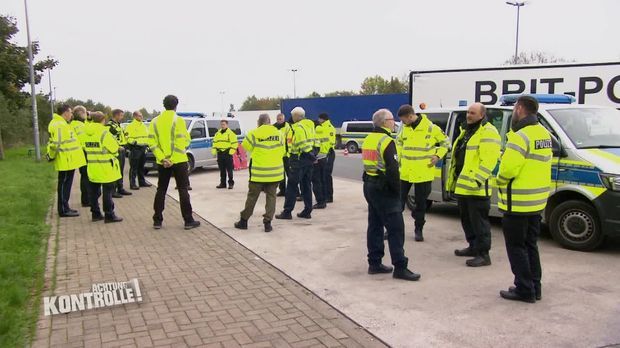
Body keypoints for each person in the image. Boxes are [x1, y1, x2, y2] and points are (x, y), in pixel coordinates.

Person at [497, 96, 552, 303]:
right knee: (531, 246)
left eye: (514, 108)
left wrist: (499, 180)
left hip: (517, 203)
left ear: (520, 109)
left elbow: (508, 169)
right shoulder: (543, 133)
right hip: (536, 203)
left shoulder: (520, 136)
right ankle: (535, 287)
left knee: (516, 247)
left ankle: (524, 289)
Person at [362, 109, 420, 281]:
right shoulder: (386, 141)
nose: (394, 123)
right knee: (396, 229)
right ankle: (400, 267)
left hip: (370, 185)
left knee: (375, 225)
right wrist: (398, 193)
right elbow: (393, 170)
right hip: (384, 188)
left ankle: (374, 263)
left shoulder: (368, 139)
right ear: (384, 122)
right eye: (391, 120)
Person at [447, 103, 501, 267]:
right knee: (467, 220)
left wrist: (477, 179)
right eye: (468, 112)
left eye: (472, 113)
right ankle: (472, 246)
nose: (468, 115)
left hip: (477, 188)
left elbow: (490, 160)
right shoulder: (467, 131)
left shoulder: (488, 132)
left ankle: (484, 255)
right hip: (464, 186)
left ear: (482, 115)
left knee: (480, 223)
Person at [396, 105, 449, 241]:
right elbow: (399, 142)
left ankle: (418, 229)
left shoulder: (431, 128)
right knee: (398, 203)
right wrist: (400, 157)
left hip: (423, 172)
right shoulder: (404, 128)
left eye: (403, 120)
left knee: (420, 204)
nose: (402, 123)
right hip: (405, 171)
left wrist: (437, 156)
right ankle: (392, 229)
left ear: (410, 116)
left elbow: (446, 144)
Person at [148, 95, 200, 230]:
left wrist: (162, 158)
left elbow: (152, 143)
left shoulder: (154, 121)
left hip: (162, 162)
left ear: (163, 105)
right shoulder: (179, 120)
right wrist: (172, 158)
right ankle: (188, 220)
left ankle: (157, 220)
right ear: (176, 105)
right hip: (179, 161)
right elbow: (184, 141)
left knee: (161, 189)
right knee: (183, 190)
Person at [234, 114, 285, 232]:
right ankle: (268, 223)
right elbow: (283, 151)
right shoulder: (279, 133)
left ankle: (244, 221)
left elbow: (245, 147)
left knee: (252, 197)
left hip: (258, 173)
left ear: (258, 122)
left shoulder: (253, 133)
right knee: (271, 197)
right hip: (275, 173)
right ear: (270, 121)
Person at [46, 103, 87, 217]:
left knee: (67, 185)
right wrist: (51, 156)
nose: (71, 115)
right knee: (64, 185)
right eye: (70, 112)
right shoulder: (60, 124)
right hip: (65, 159)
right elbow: (56, 143)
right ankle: (63, 209)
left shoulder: (63, 123)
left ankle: (66, 207)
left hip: (68, 159)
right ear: (65, 113)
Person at [275, 107, 316, 219]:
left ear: (297, 116)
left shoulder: (297, 128)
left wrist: (307, 153)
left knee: (292, 186)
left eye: (293, 116)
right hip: (308, 160)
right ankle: (307, 210)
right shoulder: (310, 126)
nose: (292, 118)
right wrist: (313, 155)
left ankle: (287, 211)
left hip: (298, 159)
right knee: (306, 185)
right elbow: (315, 141)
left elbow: (302, 144)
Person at [82, 111, 123, 223]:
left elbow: (84, 148)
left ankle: (95, 214)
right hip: (106, 168)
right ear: (102, 120)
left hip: (92, 167)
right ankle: (109, 215)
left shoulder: (85, 133)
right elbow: (114, 148)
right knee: (108, 192)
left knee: (94, 193)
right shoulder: (104, 133)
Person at [107, 109, 132, 197]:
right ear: (116, 115)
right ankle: (113, 191)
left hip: (122, 149)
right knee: (115, 171)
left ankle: (120, 188)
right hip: (116, 150)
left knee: (120, 170)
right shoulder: (109, 126)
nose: (122, 117)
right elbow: (110, 139)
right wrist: (117, 147)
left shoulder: (118, 125)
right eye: (121, 115)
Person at [125, 111, 152, 190]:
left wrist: (147, 145)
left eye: (141, 115)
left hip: (143, 148)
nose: (141, 117)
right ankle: (132, 184)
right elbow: (127, 137)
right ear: (135, 116)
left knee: (141, 166)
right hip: (136, 148)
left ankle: (142, 182)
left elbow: (146, 136)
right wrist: (135, 143)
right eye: (140, 116)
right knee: (134, 167)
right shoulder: (130, 126)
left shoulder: (143, 125)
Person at [71, 105, 91, 207]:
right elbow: (85, 139)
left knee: (85, 176)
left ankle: (86, 198)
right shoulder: (79, 125)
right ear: (81, 113)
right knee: (86, 176)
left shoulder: (74, 124)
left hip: (80, 153)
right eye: (85, 113)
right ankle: (86, 200)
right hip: (84, 152)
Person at [212, 120, 238, 189]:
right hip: (220, 153)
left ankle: (230, 183)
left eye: (224, 124)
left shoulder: (230, 133)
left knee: (229, 170)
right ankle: (223, 183)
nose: (222, 126)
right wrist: (214, 151)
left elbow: (235, 143)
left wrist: (231, 152)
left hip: (227, 153)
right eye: (221, 124)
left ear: (227, 125)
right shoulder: (217, 133)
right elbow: (214, 142)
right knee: (222, 170)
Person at [318, 113, 336, 203]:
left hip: (328, 153)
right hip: (322, 154)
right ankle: (325, 195)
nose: (318, 120)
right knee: (322, 176)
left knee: (326, 175)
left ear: (323, 119)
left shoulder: (328, 127)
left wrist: (326, 151)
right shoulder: (321, 127)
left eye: (319, 119)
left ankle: (329, 196)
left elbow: (330, 142)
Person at [273, 113, 292, 196]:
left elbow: (289, 140)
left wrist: (289, 152)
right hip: (277, 154)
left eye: (280, 119)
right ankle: (282, 190)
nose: (279, 121)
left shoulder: (288, 127)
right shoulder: (273, 127)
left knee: (289, 173)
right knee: (280, 174)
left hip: (286, 154)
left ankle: (294, 191)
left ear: (284, 119)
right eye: (278, 119)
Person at [311, 119, 327, 209]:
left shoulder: (315, 132)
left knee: (316, 181)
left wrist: (313, 157)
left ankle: (320, 201)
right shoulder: (323, 130)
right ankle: (324, 199)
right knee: (322, 180)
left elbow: (315, 147)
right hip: (324, 157)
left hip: (316, 159)